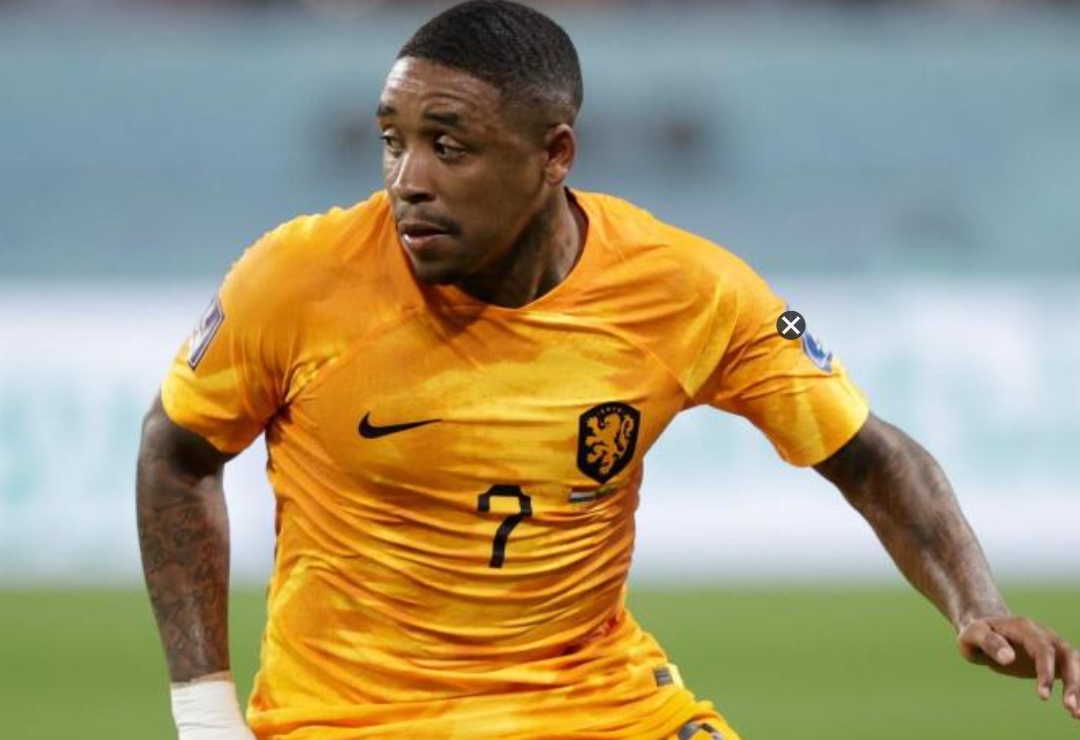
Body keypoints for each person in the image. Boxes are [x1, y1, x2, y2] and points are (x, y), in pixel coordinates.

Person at [135, 2, 1080, 738]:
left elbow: (869, 454)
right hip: (356, 720)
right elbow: (176, 454)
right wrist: (206, 715)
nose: (407, 179)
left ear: (555, 155)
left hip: (599, 706)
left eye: (449, 145)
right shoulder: (298, 278)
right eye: (393, 140)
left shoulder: (683, 289)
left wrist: (978, 604)